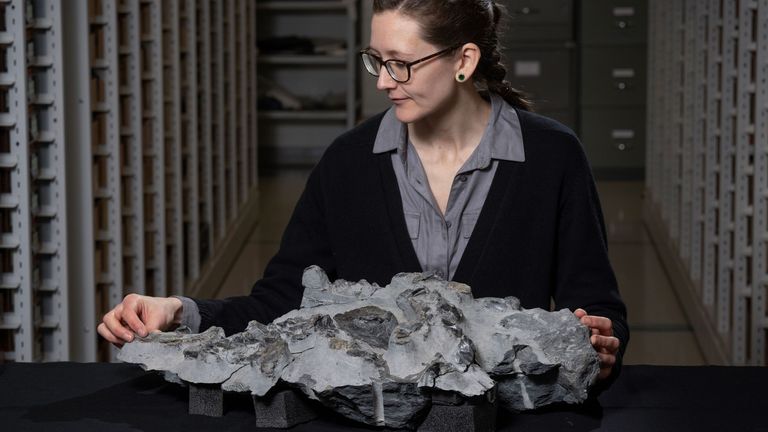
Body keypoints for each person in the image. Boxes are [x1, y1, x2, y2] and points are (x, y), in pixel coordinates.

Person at [99, 0, 628, 386]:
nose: (383, 81)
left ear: (464, 60)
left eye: (401, 63)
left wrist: (602, 343)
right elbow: (284, 302)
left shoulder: (552, 156)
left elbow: (596, 305)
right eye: (376, 60)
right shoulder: (349, 162)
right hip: (375, 416)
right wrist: (180, 312)